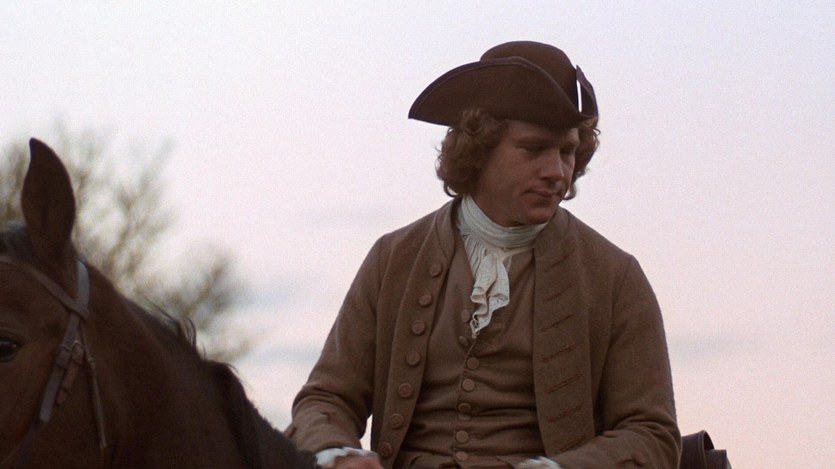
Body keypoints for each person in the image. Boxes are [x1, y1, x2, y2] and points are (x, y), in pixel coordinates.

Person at [286, 41, 680, 468]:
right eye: (534, 149)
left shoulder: (615, 276)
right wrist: (337, 454)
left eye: (567, 152)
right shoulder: (393, 258)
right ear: (479, 149)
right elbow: (327, 397)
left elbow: (651, 434)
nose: (557, 172)